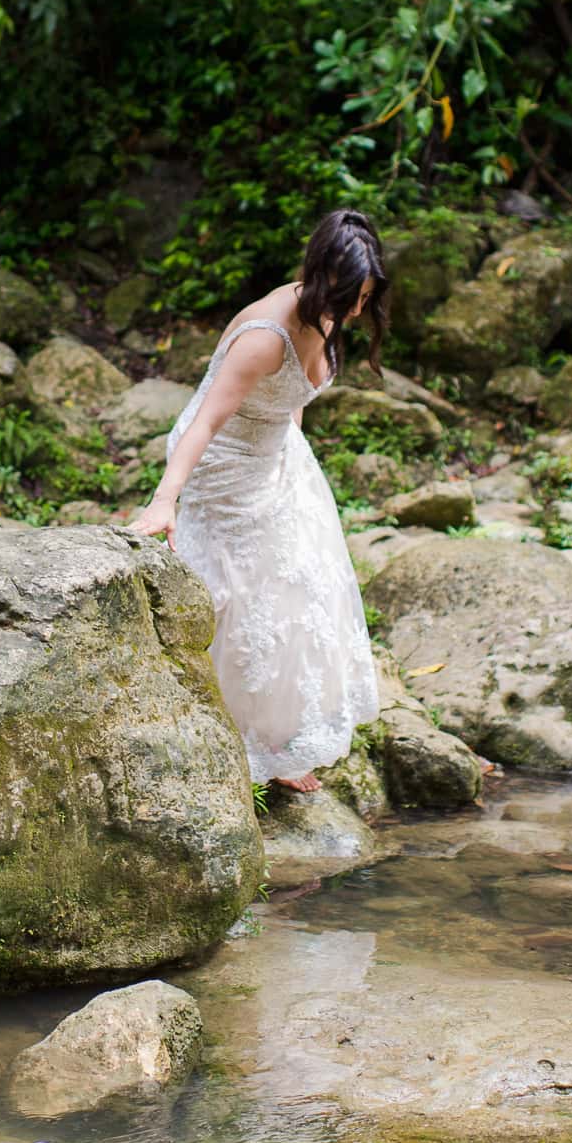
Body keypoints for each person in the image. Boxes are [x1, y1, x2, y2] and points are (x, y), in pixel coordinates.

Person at [128, 209, 388, 794]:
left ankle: (277, 737)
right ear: (323, 277)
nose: (356, 310)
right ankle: (233, 737)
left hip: (273, 450)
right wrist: (163, 501)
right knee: (245, 592)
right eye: (351, 295)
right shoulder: (263, 338)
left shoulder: (325, 313)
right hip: (220, 459)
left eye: (366, 298)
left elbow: (292, 396)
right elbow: (203, 424)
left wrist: (290, 457)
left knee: (301, 582)